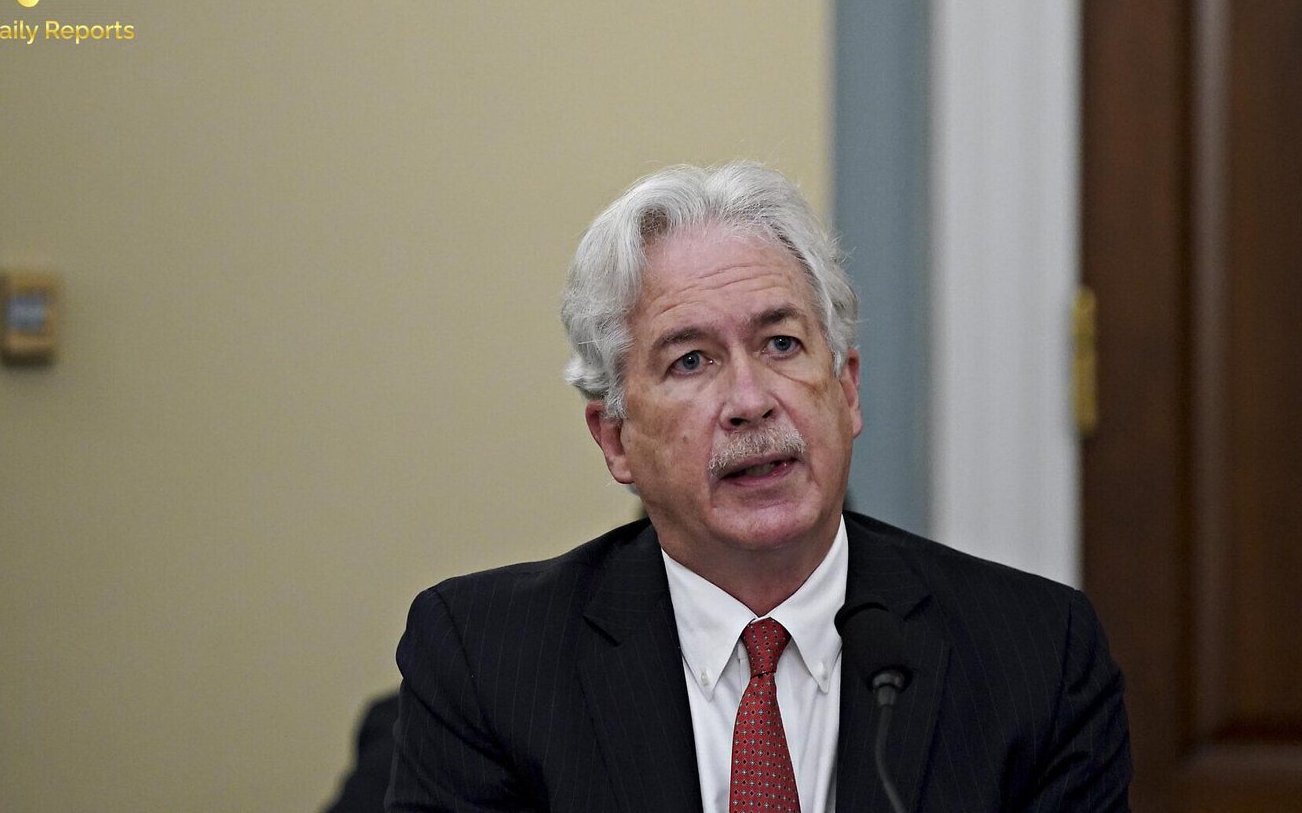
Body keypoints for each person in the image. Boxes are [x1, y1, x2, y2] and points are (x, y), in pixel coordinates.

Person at [388, 162, 1131, 812]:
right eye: (690, 360)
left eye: (781, 344)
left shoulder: (1038, 657)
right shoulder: (487, 661)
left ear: (847, 391)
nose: (750, 400)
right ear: (615, 439)